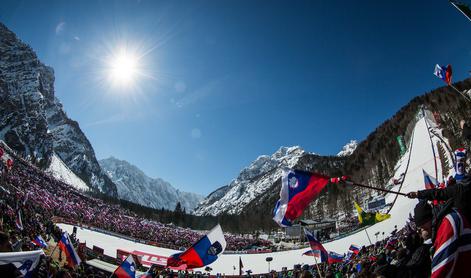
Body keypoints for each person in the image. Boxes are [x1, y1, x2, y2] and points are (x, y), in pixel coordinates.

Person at [412, 201, 471, 277]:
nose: (421, 231)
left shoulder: (447, 224)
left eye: (423, 227)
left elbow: (439, 272)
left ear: (428, 219)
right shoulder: (445, 217)